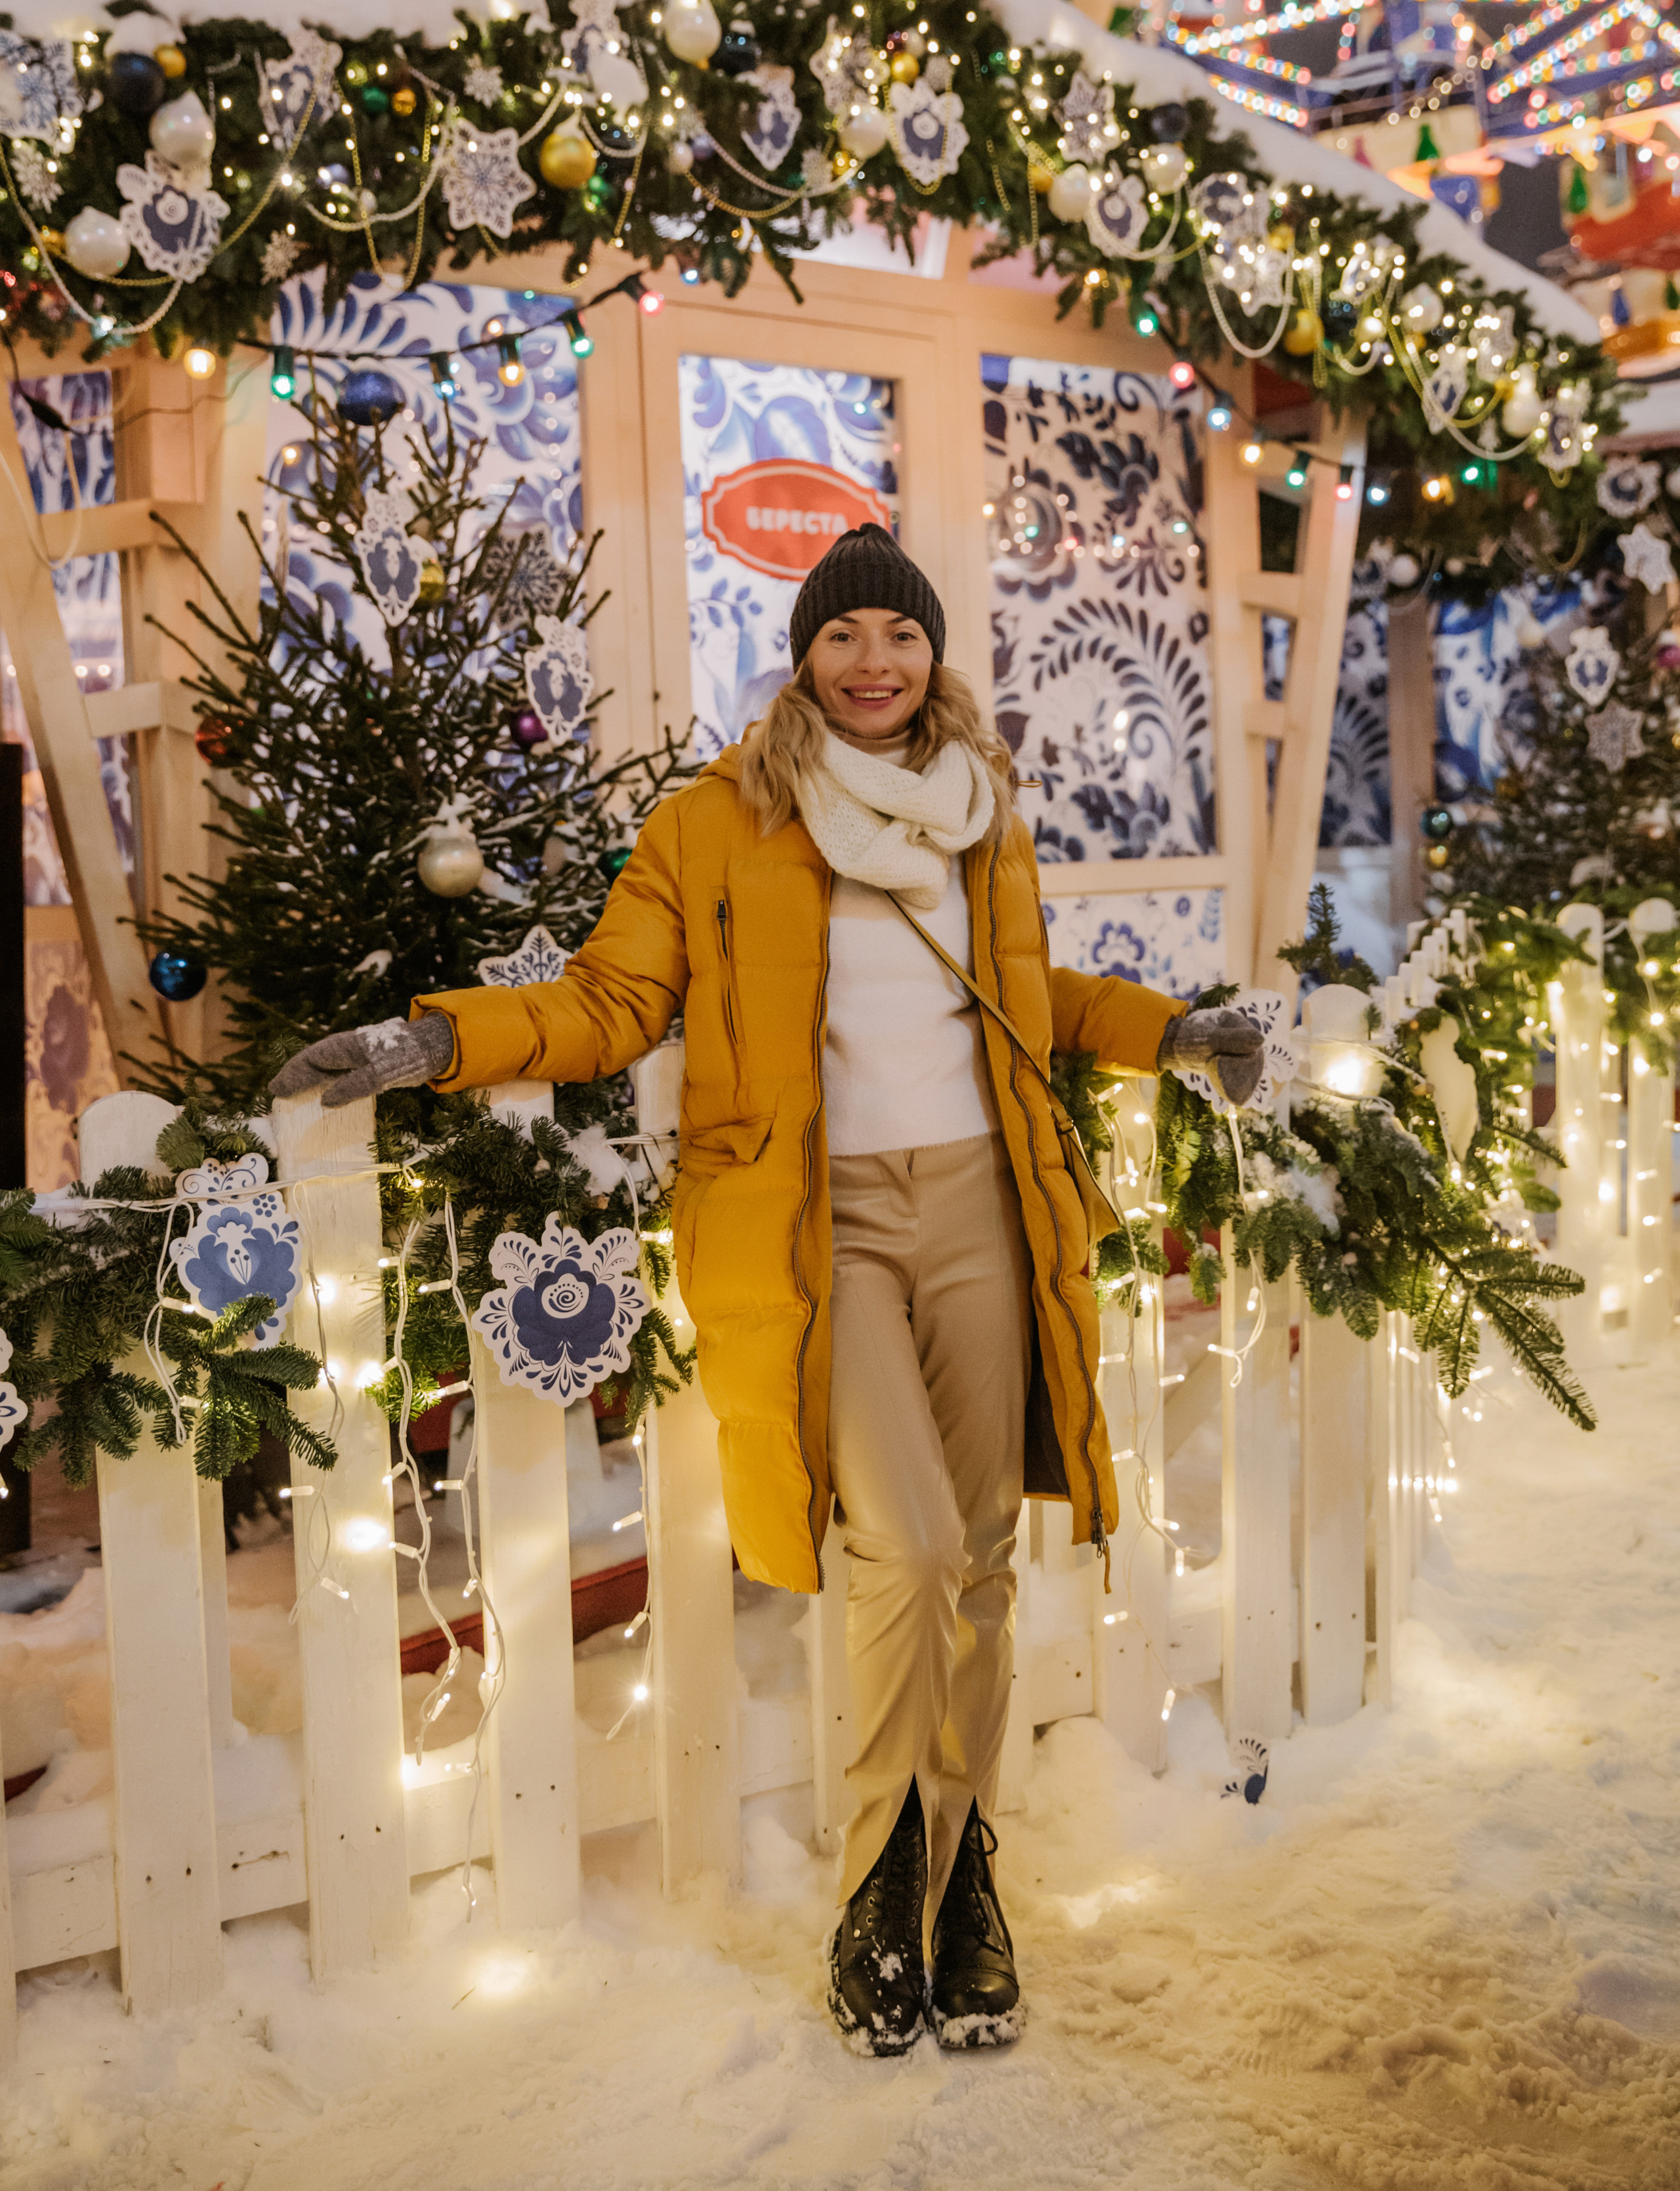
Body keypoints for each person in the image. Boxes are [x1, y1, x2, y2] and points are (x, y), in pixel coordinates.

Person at [276, 525, 1262, 2056]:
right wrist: (432, 1044)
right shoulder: (716, 822)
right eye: (844, 635)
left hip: (984, 1211)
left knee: (985, 1549)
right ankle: (880, 1877)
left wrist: (1173, 1031)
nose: (875, 664)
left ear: (934, 657)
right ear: (803, 656)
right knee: (907, 1542)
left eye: (902, 637)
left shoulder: (981, 816)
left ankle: (960, 1879)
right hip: (820, 1225)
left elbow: (1032, 999)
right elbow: (611, 1004)